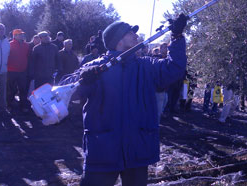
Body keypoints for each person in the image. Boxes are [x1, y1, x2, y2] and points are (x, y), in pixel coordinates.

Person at [78, 14, 187, 186]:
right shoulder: (96, 69)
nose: (136, 35)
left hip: (137, 151)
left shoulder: (146, 66)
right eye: (130, 32)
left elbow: (175, 68)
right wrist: (84, 79)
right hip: (102, 150)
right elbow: (71, 89)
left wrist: (177, 37)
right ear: (118, 40)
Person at [6, 29, 30, 112]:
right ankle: (9, 105)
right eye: (19, 34)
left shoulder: (26, 45)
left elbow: (27, 56)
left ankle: (23, 106)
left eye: (22, 34)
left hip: (22, 71)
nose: (22, 35)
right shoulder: (9, 45)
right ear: (15, 36)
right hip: (11, 71)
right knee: (11, 90)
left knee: (23, 89)